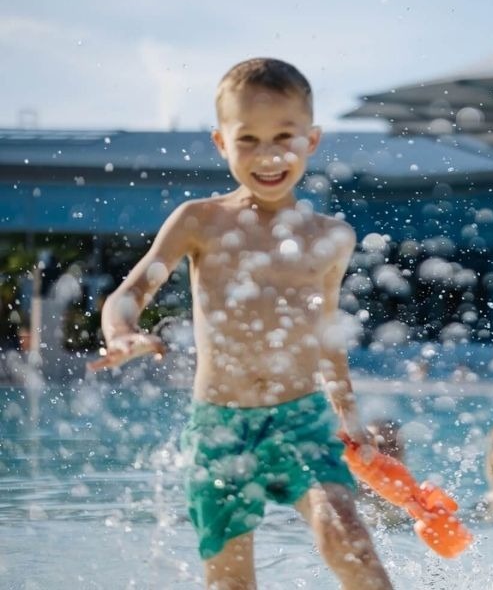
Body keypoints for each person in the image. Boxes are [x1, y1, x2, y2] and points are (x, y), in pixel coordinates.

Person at [89, 58, 392, 589]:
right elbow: (130, 292)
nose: (268, 154)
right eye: (247, 138)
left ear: (312, 141)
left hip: (300, 419)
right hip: (220, 426)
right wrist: (124, 333)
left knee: (349, 543)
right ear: (220, 142)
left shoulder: (331, 237)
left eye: (284, 136)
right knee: (231, 583)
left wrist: (348, 414)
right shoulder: (199, 221)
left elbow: (324, 331)